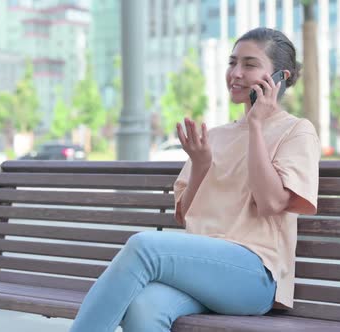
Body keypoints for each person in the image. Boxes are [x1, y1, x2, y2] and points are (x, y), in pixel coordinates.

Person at [70, 27, 320, 332]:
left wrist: (256, 126)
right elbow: (186, 215)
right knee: (143, 307)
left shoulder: (296, 131)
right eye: (232, 63)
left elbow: (270, 203)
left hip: (254, 275)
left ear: (279, 77)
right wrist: (201, 164)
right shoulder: (214, 136)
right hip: (201, 268)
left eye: (250, 64)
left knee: (143, 247)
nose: (236, 73)